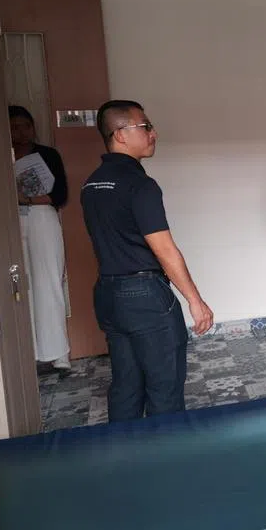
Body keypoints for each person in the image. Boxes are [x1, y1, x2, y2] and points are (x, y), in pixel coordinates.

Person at [80, 100, 213, 422]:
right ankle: (165, 453)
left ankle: (124, 451)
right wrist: (195, 301)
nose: (153, 134)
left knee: (126, 386)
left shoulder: (91, 183)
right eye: (145, 127)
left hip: (108, 295)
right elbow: (164, 249)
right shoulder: (140, 185)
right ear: (120, 134)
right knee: (164, 388)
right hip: (144, 298)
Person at [9, 105, 72, 378]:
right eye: (14, 127)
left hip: (42, 218)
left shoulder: (47, 154)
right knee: (19, 287)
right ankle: (30, 354)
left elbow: (60, 195)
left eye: (26, 126)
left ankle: (59, 355)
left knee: (49, 282)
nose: (21, 132)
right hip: (11, 219)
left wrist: (26, 199)